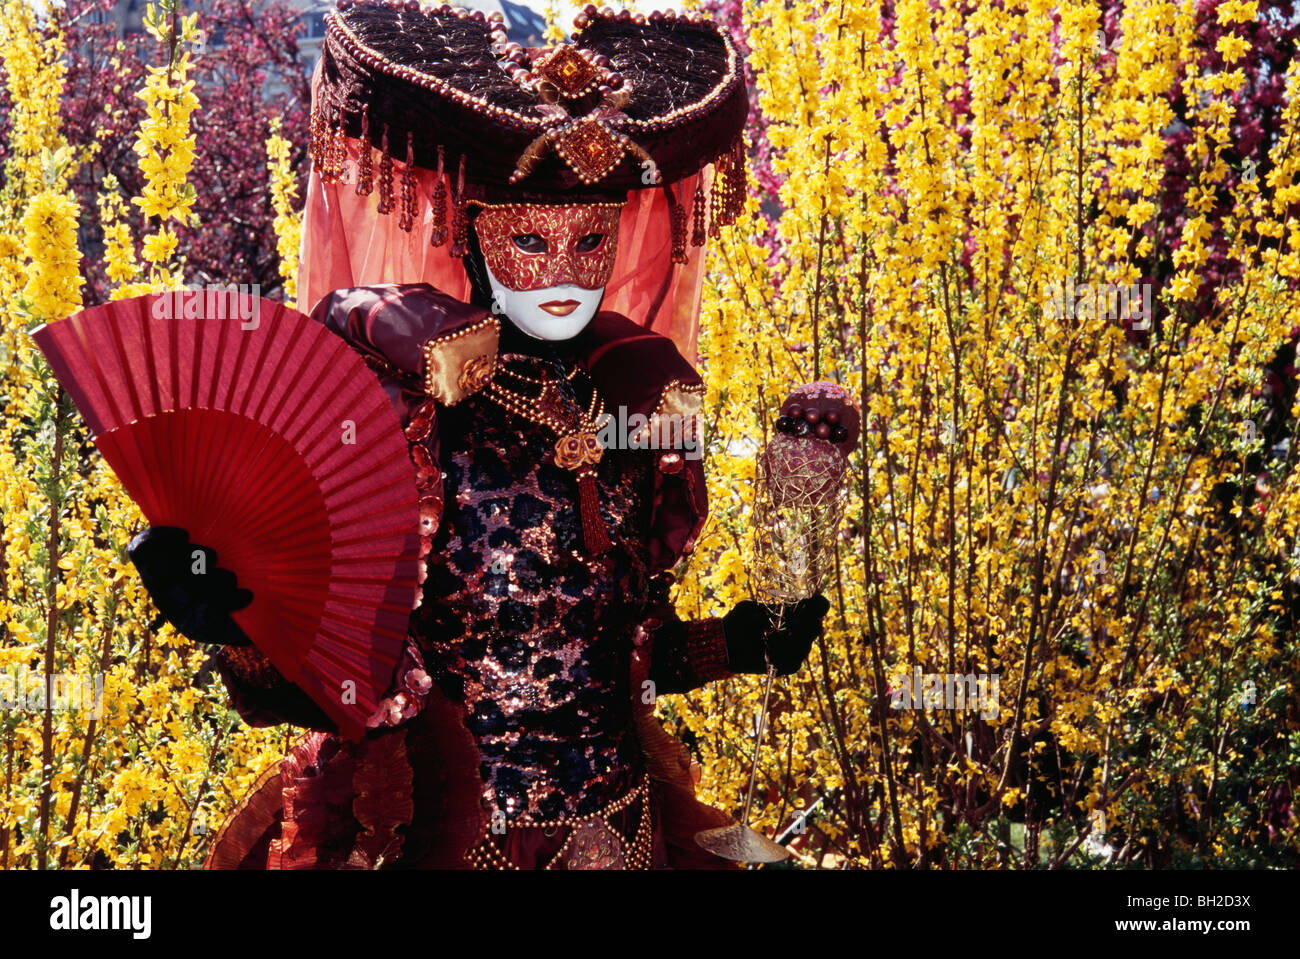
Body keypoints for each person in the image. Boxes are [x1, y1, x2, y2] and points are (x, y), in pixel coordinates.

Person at [127, 1, 834, 869]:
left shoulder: (639, 408)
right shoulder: (407, 413)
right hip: (435, 836)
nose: (566, 271)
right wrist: (225, 613)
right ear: (471, 232)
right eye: (531, 238)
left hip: (618, 834)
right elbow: (331, 683)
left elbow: (629, 658)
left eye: (592, 238)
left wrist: (744, 640)